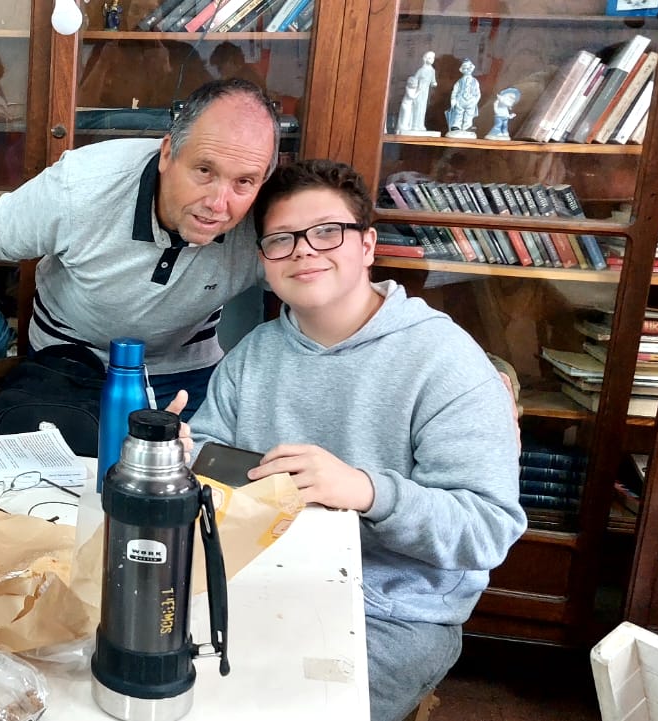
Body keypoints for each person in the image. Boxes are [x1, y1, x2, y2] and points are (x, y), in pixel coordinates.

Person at [182, 159, 525, 721]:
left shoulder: (445, 361)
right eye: (281, 239)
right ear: (264, 259)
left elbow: (486, 530)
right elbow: (210, 456)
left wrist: (368, 492)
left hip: (390, 612)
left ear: (367, 245)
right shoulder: (254, 354)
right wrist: (182, 454)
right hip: (252, 581)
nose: (303, 251)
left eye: (326, 232)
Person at [0, 78, 280, 420]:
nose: (218, 204)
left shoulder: (271, 220)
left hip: (183, 369)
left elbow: (312, 295)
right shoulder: (81, 186)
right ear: (166, 154)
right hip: (72, 358)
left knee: (205, 467)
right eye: (204, 171)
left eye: (243, 182)